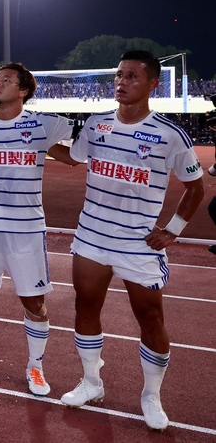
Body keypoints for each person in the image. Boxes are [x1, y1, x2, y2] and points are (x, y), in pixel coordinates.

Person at [60, 51, 205, 430]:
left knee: (151, 317)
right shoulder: (96, 125)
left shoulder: (170, 134)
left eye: (132, 76)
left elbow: (195, 188)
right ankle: (91, 382)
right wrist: (25, 137)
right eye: (119, 75)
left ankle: (151, 395)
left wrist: (172, 230)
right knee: (86, 308)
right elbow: (73, 157)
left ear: (153, 84)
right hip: (91, 237)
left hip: (136, 243)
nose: (121, 82)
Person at [0, 63, 77, 397]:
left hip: (26, 228)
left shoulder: (43, 124)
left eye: (6, 80)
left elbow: (76, 149)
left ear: (23, 90)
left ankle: (35, 366)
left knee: (34, 301)